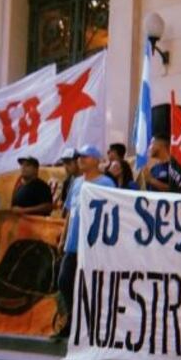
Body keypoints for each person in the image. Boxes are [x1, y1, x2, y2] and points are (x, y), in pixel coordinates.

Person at [56, 145, 116, 340]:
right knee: (65, 280)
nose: (80, 159)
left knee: (91, 284)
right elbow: (70, 212)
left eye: (86, 157)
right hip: (73, 243)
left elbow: (113, 213)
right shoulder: (76, 182)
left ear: (97, 160)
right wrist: (64, 238)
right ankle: (73, 318)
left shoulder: (106, 183)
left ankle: (90, 324)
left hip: (93, 243)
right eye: (79, 156)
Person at [56, 148, 78, 215]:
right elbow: (64, 204)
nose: (65, 166)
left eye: (68, 163)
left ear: (78, 161)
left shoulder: (87, 180)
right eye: (64, 163)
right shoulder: (67, 181)